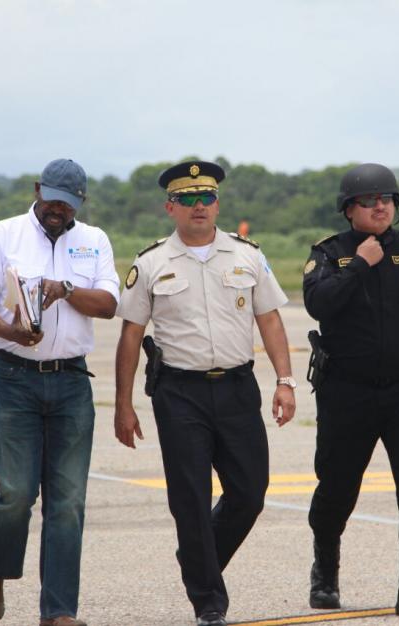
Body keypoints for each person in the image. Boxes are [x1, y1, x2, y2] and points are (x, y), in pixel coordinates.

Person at [114, 160, 297, 626]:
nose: (199, 207)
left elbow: (270, 320)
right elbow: (131, 336)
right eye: (188, 199)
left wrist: (285, 381)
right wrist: (123, 405)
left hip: (237, 388)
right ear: (170, 207)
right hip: (180, 394)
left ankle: (198, 561)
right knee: (190, 499)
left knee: (250, 493)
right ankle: (209, 603)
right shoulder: (151, 262)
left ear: (218, 204)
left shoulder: (246, 255)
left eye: (207, 198)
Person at [302, 163, 399, 619]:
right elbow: (319, 303)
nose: (380, 207)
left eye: (387, 200)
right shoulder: (330, 254)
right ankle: (325, 571)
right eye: (370, 201)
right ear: (349, 209)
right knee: (336, 487)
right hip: (346, 393)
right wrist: (360, 265)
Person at [0, 158, 120, 626]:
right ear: (37, 189)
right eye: (51, 199)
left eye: (68, 204)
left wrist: (64, 288)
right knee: (15, 492)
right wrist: (10, 333)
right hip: (15, 378)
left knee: (68, 501)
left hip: (72, 380)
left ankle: (58, 611)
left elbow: (110, 304)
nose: (58, 210)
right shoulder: (1, 235)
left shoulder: (94, 241)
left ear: (80, 204)